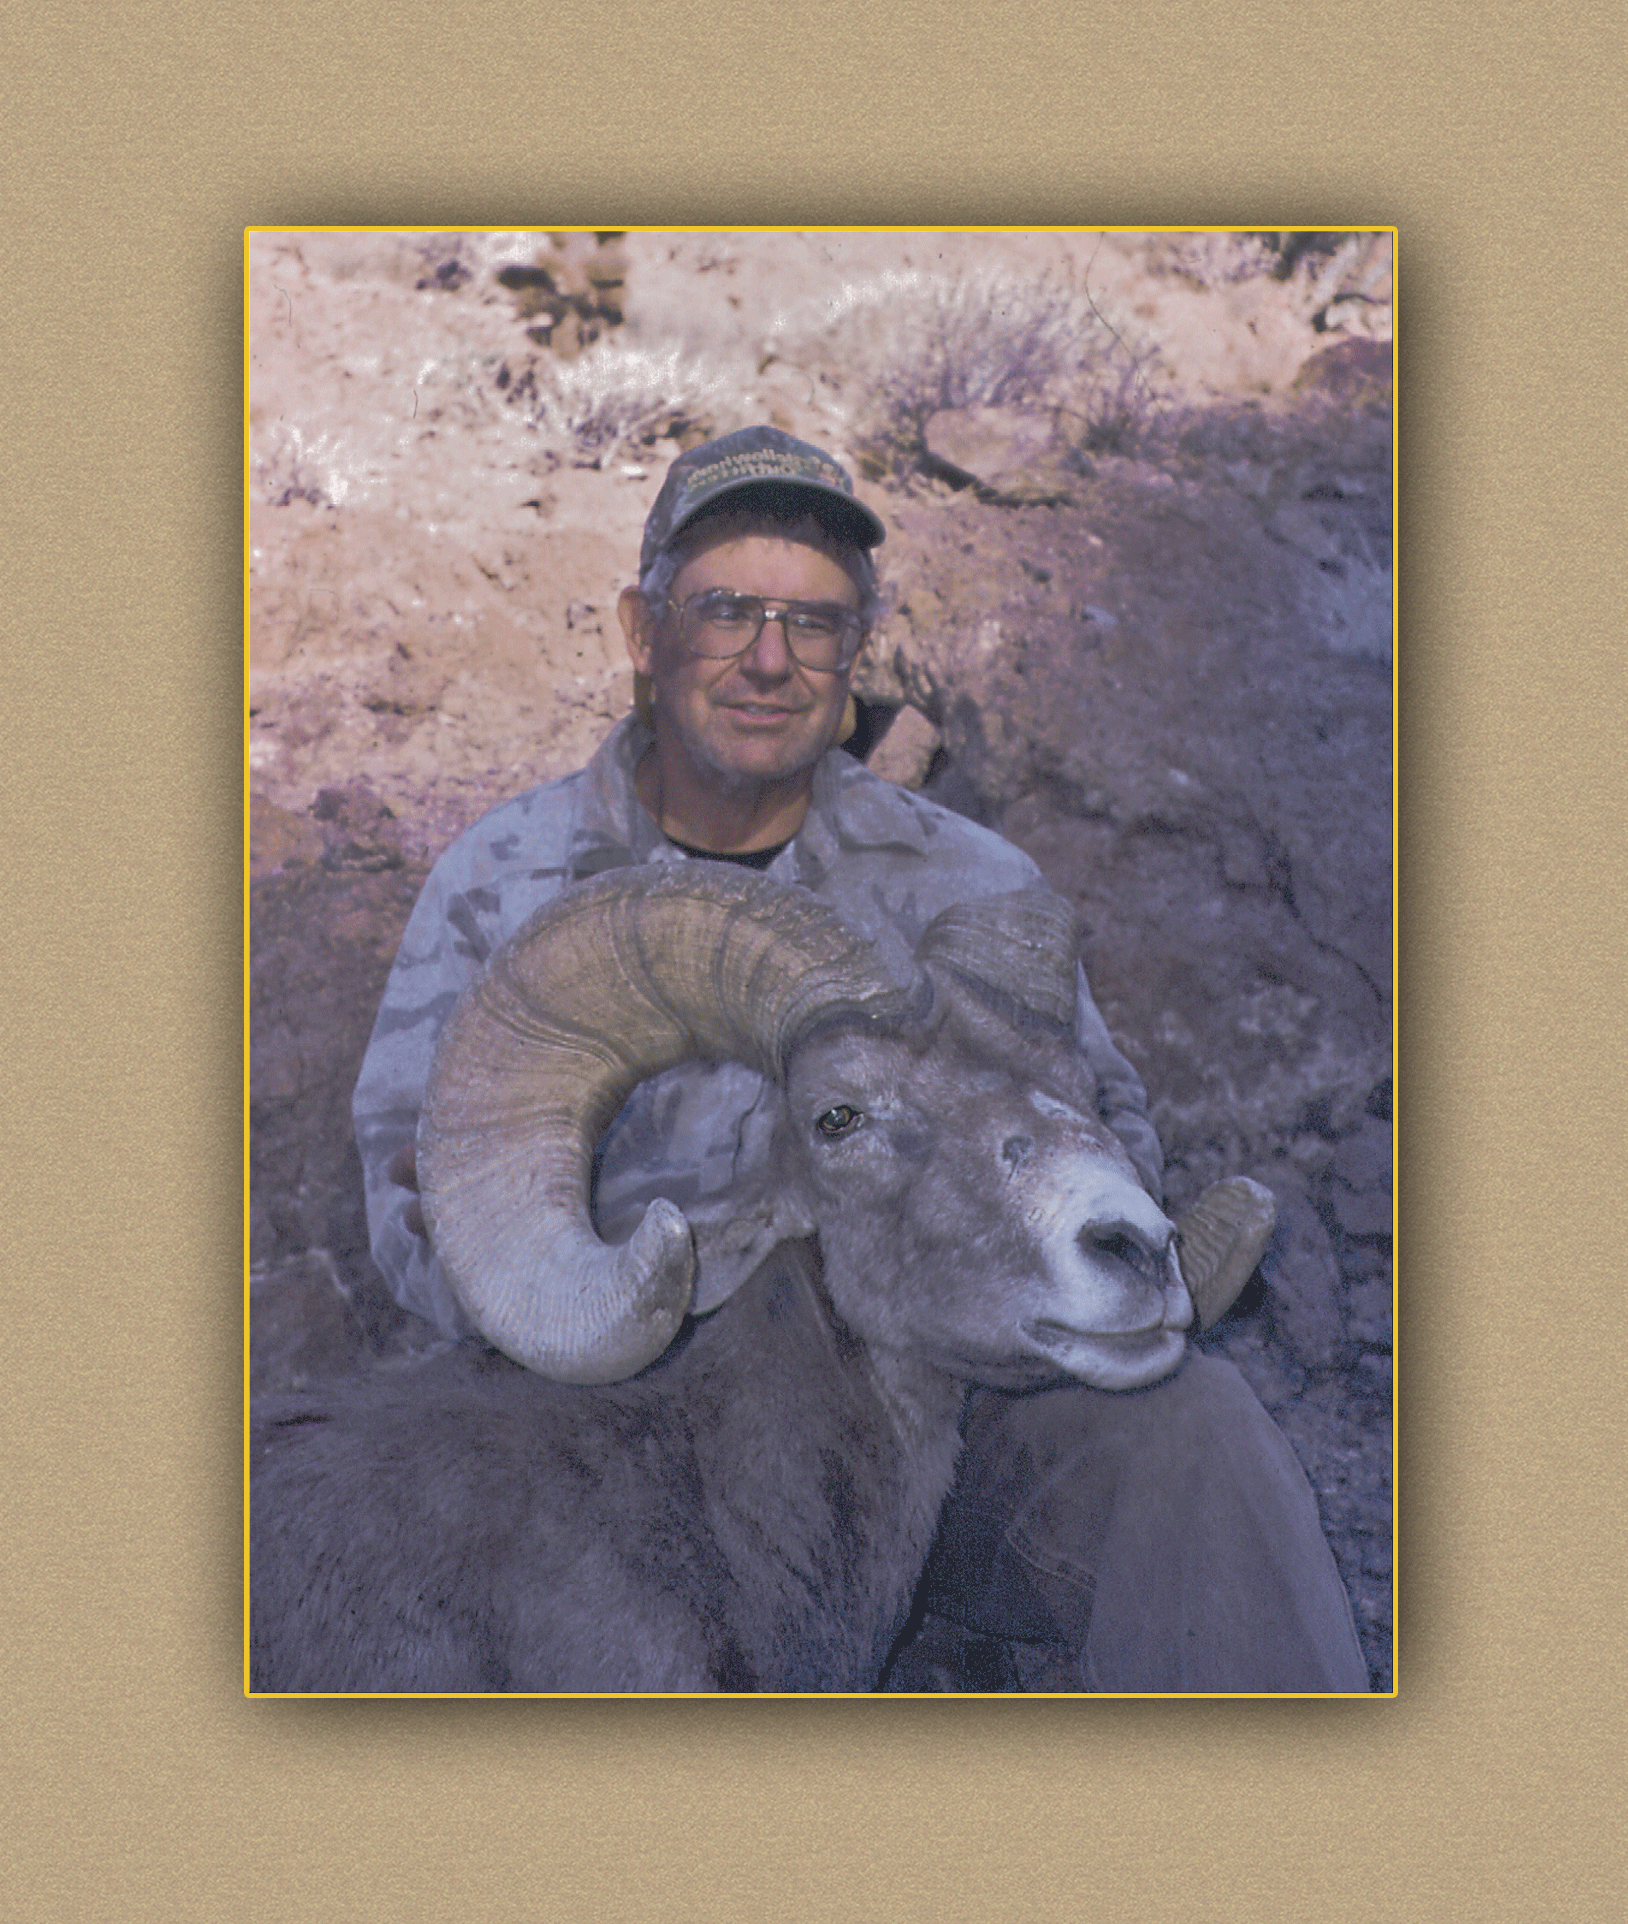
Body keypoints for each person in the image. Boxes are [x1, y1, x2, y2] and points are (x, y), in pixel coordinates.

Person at [352, 425, 1369, 1693]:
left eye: (814, 622)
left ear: (853, 651)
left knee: (1194, 1430)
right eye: (725, 610)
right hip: (628, 1443)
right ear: (640, 629)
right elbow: (426, 1199)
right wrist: (658, 1316)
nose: (769, 658)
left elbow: (1097, 1125)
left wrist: (983, 1283)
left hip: (935, 1412)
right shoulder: (505, 883)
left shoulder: (966, 880)